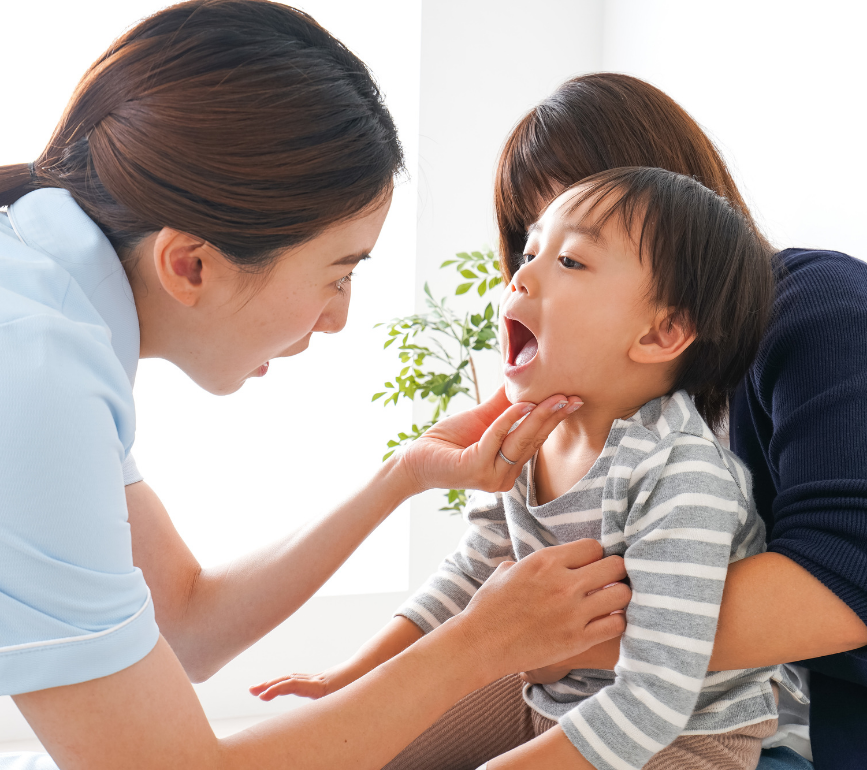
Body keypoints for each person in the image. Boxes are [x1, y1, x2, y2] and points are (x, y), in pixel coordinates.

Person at [0, 6, 633, 770]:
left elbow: (183, 624)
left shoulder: (19, 292)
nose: (339, 319)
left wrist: (404, 476)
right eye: (339, 273)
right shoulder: (19, 378)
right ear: (189, 264)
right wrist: (479, 645)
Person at [254, 73, 867, 770]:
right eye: (529, 244)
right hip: (574, 686)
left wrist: (534, 639)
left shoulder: (796, 332)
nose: (527, 276)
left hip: (720, 718)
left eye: (577, 254)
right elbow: (481, 564)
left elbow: (839, 580)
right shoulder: (557, 419)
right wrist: (360, 681)